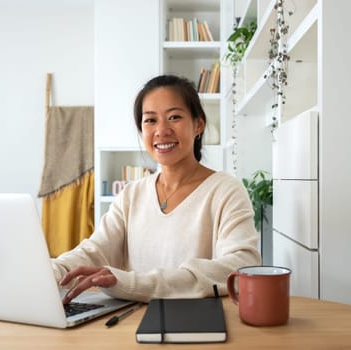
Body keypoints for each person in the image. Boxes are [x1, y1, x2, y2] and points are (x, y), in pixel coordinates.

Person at [52, 74, 261, 304]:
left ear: (198, 124)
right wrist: (53, 272)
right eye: (150, 120)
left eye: (174, 117)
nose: (162, 130)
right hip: (130, 324)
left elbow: (241, 265)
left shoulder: (225, 191)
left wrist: (134, 284)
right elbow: (95, 251)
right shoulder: (131, 195)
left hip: (199, 323)